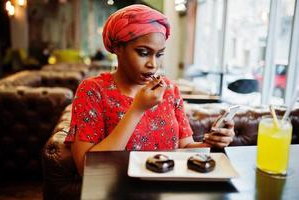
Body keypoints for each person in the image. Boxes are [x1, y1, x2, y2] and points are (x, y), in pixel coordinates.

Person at [65, 4, 235, 175]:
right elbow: (85, 168)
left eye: (159, 54)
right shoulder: (93, 90)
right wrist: (136, 110)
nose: (153, 64)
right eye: (143, 52)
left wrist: (212, 143)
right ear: (117, 47)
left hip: (166, 188)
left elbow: (185, 147)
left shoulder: (169, 90)